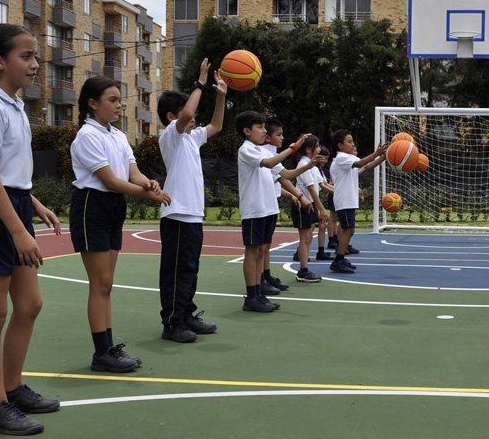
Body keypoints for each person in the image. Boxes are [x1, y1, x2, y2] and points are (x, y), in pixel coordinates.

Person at [0, 24, 61, 435]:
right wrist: (19, 230)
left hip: (14, 203)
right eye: (26, 56)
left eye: (36, 56)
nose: (36, 64)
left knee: (30, 303)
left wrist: (34, 206)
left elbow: (9, 173)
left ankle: (13, 386)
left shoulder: (14, 105)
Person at [70, 76, 170, 373]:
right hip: (92, 207)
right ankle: (102, 352)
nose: (118, 105)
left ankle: (108, 348)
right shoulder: (87, 136)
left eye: (119, 100)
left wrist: (148, 183)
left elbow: (132, 172)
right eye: (112, 100)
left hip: (113, 207)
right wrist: (148, 194)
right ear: (92, 103)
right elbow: (111, 181)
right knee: (99, 283)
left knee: (107, 284)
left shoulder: (116, 135)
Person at [155, 59, 227, 343]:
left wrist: (220, 95)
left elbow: (217, 125)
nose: (193, 116)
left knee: (190, 268)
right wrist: (199, 82)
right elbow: (187, 115)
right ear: (171, 116)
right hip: (176, 214)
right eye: (187, 111)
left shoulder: (191, 138)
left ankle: (185, 315)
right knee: (175, 271)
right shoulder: (170, 136)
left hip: (192, 214)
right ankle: (172, 322)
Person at [235, 112, 319, 311]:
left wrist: (310, 164)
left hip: (266, 208)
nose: (264, 131)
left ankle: (258, 293)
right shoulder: (247, 150)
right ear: (247, 131)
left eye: (265, 127)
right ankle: (251, 296)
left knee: (260, 252)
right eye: (259, 127)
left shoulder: (264, 152)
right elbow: (269, 164)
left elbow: (287, 174)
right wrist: (293, 148)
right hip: (254, 209)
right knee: (252, 252)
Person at [328, 129, 386, 274]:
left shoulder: (348, 159)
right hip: (344, 200)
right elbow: (361, 163)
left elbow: (368, 166)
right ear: (340, 145)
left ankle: (340, 257)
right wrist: (377, 153)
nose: (352, 144)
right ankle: (338, 260)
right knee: (348, 230)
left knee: (349, 230)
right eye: (349, 141)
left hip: (348, 200)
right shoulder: (341, 158)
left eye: (352, 141)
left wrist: (384, 157)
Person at [291, 135, 327, 283]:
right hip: (302, 205)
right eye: (316, 147)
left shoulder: (312, 166)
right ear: (308, 149)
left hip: (309, 204)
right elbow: (311, 189)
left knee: (307, 238)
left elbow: (319, 186)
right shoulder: (303, 164)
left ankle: (304, 267)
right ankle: (303, 270)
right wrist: (322, 208)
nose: (319, 149)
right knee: (304, 238)